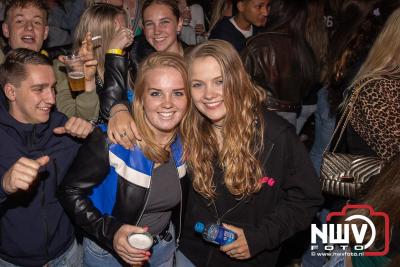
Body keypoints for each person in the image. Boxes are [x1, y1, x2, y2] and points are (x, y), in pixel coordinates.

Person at [106, 40, 323, 266]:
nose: (209, 94)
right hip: (189, 253)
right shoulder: (186, 126)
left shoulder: (276, 136)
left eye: (219, 81)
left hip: (247, 258)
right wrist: (119, 109)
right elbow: (152, 105)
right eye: (198, 84)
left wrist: (260, 237)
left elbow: (307, 200)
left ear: (237, 80)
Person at [58, 52, 189, 266]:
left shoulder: (189, 141)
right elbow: (68, 191)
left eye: (177, 93)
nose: (168, 103)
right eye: (156, 93)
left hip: (164, 247)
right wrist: (111, 232)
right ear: (141, 98)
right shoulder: (111, 140)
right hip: (109, 254)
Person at [0, 48, 94, 266]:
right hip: (13, 260)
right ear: (11, 92)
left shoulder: (63, 128)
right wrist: (4, 184)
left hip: (68, 253)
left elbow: (92, 178)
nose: (51, 99)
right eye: (39, 89)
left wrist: (91, 138)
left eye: (52, 88)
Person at [1, 0, 100, 121]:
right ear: (6, 29)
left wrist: (87, 82)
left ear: (45, 32)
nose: (29, 27)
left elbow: (80, 120)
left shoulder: (58, 70)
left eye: (37, 22)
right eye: (20, 21)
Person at [241, 0, 318, 128]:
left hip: (260, 116)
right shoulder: (304, 48)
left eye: (269, 7)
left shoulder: (258, 46)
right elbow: (308, 86)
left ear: (278, 13)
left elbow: (238, 85)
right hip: (291, 117)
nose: (265, 12)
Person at [70, 3, 134, 123]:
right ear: (102, 37)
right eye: (122, 33)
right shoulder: (78, 71)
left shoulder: (132, 59)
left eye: (128, 28)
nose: (129, 36)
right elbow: (110, 114)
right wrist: (114, 52)